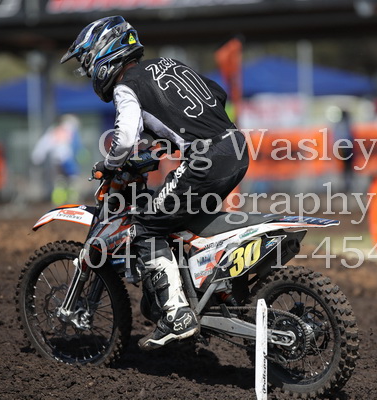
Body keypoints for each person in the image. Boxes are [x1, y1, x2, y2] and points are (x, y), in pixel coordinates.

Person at [61, 16, 249, 349]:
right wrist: (170, 139)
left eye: (87, 63)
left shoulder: (126, 85)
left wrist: (110, 164)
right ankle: (210, 291)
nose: (89, 72)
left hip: (207, 160)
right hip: (236, 146)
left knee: (145, 226)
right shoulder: (168, 64)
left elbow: (123, 139)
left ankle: (177, 314)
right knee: (181, 222)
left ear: (103, 54)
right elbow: (216, 94)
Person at [31, 114, 83, 204]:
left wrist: (37, 157)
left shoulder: (53, 130)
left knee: (60, 180)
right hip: (68, 159)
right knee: (72, 179)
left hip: (56, 160)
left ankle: (59, 201)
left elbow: (43, 145)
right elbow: (77, 145)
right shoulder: (70, 130)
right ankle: (72, 200)